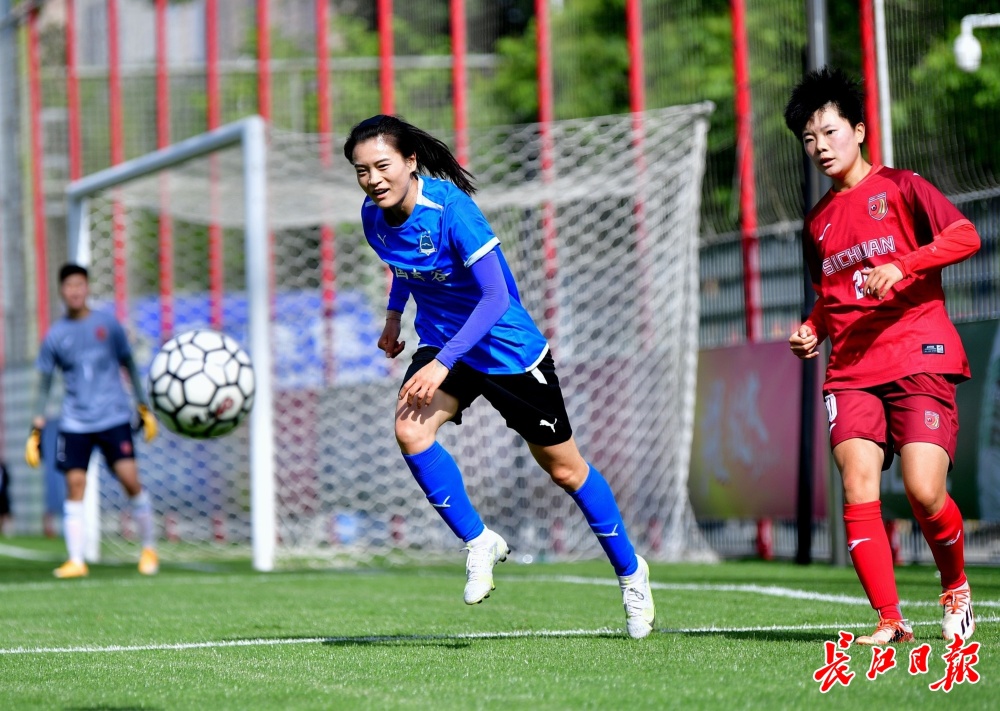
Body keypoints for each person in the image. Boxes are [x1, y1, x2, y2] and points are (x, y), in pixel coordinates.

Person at [342, 115, 656, 639]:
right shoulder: (372, 217)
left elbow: (495, 298)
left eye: (382, 166)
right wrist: (395, 316)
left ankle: (631, 573)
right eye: (361, 171)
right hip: (446, 342)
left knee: (564, 471)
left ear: (410, 161)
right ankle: (478, 541)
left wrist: (442, 362)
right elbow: (404, 268)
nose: (373, 179)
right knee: (410, 430)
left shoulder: (453, 210)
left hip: (506, 347)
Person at [784, 67, 980, 644]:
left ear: (861, 130)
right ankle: (889, 619)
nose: (820, 147)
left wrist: (904, 265)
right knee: (858, 484)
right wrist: (811, 328)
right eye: (809, 139)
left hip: (919, 352)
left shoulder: (902, 187)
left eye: (830, 132)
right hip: (850, 371)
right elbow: (831, 295)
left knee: (924, 491)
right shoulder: (816, 221)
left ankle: (956, 587)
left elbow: (966, 235)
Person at [25, 263, 160, 578]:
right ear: (62, 290)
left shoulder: (108, 325)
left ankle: (149, 548)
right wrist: (37, 423)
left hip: (113, 417)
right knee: (75, 484)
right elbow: (44, 382)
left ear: (87, 288)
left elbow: (127, 362)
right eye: (69, 285)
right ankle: (76, 559)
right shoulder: (55, 336)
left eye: (79, 285)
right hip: (75, 422)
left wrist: (143, 406)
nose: (74, 291)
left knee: (130, 481)